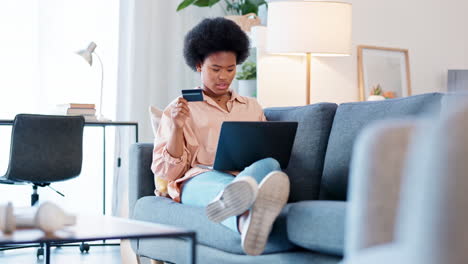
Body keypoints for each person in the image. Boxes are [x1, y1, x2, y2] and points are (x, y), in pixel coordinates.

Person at [151, 17, 290, 256]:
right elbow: (167, 173)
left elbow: (265, 151)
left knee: (272, 164)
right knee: (223, 185)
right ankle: (245, 214)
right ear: (198, 65)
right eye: (215, 69)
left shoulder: (251, 107)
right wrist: (176, 127)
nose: (223, 77)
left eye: (230, 69)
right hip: (199, 180)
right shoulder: (179, 108)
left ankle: (243, 213)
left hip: (245, 176)